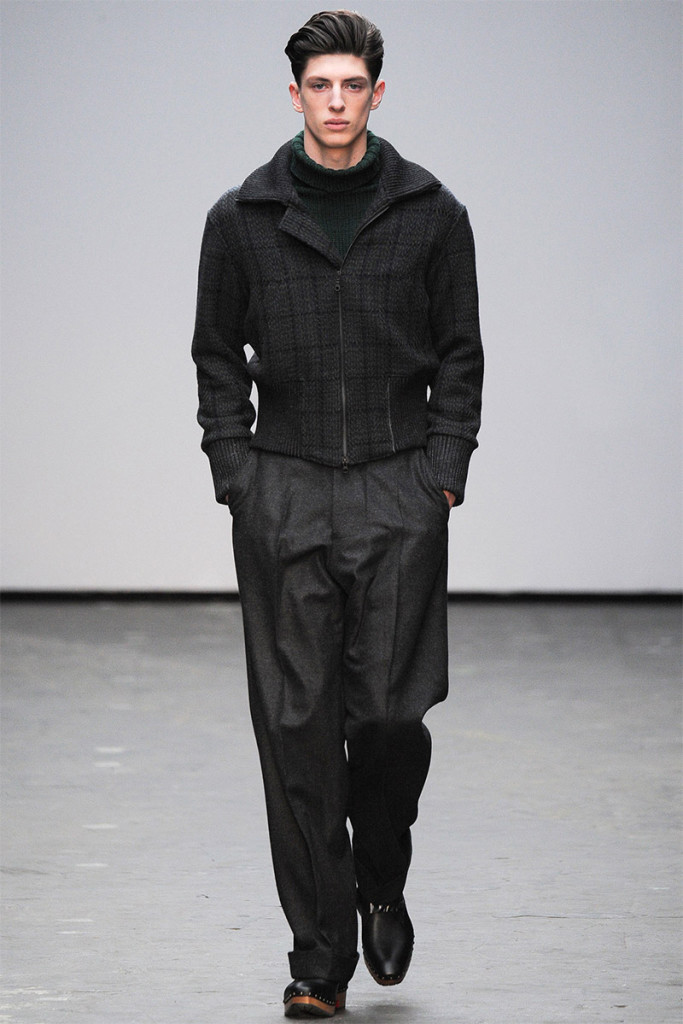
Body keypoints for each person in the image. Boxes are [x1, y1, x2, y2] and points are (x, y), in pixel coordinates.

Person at [192, 10, 483, 1018]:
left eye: (350, 84)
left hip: (399, 486)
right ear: (295, 95)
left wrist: (443, 470)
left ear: (375, 94)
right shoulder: (241, 219)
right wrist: (236, 471)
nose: (334, 101)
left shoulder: (432, 215)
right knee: (297, 729)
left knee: (391, 717)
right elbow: (214, 353)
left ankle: (380, 871)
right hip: (284, 488)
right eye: (318, 85)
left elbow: (460, 351)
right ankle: (318, 961)